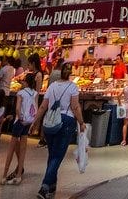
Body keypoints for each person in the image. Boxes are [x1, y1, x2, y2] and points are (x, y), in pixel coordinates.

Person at [29, 61, 86, 199]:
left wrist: (35, 121)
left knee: (52, 154)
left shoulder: (52, 86)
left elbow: (43, 106)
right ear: (70, 73)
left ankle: (52, 186)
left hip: (49, 122)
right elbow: (75, 107)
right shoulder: (72, 87)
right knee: (57, 156)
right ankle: (44, 186)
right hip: (66, 122)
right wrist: (81, 122)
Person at [1, 72, 38, 184]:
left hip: (20, 121)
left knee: (11, 150)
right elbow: (35, 108)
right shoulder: (35, 93)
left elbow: (17, 108)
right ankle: (18, 176)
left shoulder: (21, 93)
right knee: (23, 150)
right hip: (28, 122)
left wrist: (20, 117)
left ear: (26, 82)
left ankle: (4, 175)